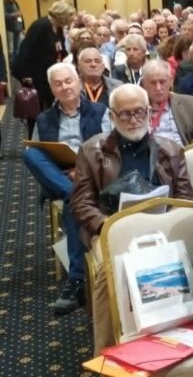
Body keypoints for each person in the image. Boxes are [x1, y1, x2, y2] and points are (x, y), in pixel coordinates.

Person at [71, 83, 193, 354]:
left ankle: (184, 340)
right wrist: (108, 226)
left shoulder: (170, 150)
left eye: (139, 112)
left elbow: (186, 199)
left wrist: (170, 224)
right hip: (110, 229)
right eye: (125, 114)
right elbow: (81, 202)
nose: (133, 119)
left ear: (149, 113)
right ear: (112, 116)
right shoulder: (92, 150)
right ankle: (106, 354)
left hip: (163, 230)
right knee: (107, 272)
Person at [23, 63, 111, 316]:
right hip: (60, 177)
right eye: (58, 84)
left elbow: (107, 150)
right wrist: (65, 176)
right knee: (30, 154)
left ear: (78, 82)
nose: (64, 87)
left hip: (92, 175)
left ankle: (76, 280)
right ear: (52, 89)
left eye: (68, 81)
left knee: (73, 203)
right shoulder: (44, 118)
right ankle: (72, 193)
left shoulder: (100, 111)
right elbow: (41, 156)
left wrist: (81, 169)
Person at [13, 0, 76, 115]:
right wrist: (26, 75)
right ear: (62, 14)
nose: (73, 18)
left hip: (49, 73)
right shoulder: (41, 26)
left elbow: (60, 49)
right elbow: (26, 49)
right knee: (37, 107)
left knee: (50, 105)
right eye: (71, 15)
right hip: (36, 74)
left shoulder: (58, 27)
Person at [140, 59, 193, 147]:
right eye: (153, 83)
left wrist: (190, 152)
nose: (158, 88)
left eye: (162, 82)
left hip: (185, 152)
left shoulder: (189, 104)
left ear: (171, 80)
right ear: (144, 84)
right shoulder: (137, 108)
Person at [3, 0, 23, 66]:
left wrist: (22, 27)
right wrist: (13, 15)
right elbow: (4, 15)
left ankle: (17, 63)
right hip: (10, 29)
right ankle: (11, 65)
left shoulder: (16, 3)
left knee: (17, 47)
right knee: (11, 48)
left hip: (18, 28)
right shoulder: (4, 3)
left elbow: (20, 15)